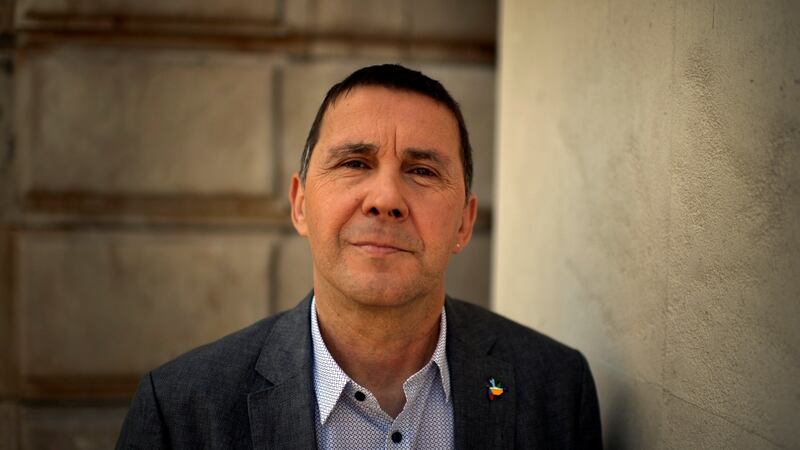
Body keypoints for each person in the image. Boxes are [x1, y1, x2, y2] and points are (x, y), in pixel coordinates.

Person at [116, 64, 602, 449]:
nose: (385, 197)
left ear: (464, 223)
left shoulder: (555, 390)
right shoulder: (181, 410)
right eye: (355, 163)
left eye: (422, 171)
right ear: (300, 203)